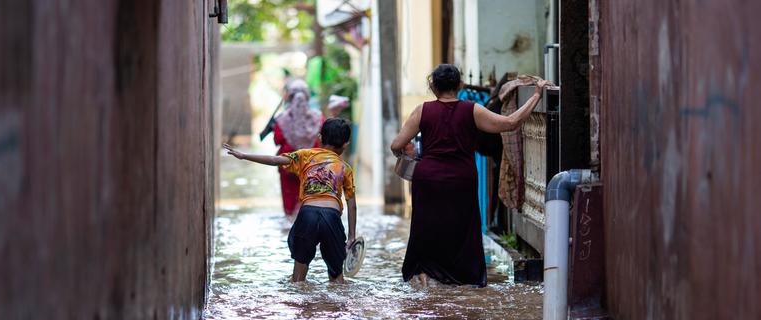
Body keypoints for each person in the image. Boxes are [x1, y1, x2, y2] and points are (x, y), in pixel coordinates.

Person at [390, 64, 550, 287]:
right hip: (460, 179)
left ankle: (426, 273)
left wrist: (409, 154)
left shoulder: (422, 110)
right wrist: (536, 95)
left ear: (433, 86)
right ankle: (461, 277)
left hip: (428, 179)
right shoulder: (472, 110)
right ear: (460, 85)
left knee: (426, 226)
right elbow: (511, 123)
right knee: (461, 227)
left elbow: (396, 144)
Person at [224, 118, 357, 283]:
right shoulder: (346, 168)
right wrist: (351, 236)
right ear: (345, 144)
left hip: (307, 214)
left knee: (297, 279)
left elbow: (275, 160)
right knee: (337, 278)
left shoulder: (305, 155)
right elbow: (352, 205)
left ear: (320, 137)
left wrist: (244, 155)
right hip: (332, 217)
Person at [274, 79, 325, 217]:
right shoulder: (318, 117)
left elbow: (277, 140)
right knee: (310, 195)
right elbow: (324, 140)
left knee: (290, 196)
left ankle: (290, 222)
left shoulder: (281, 119)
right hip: (311, 165)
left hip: (287, 164)